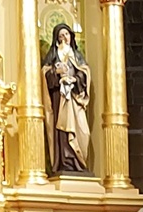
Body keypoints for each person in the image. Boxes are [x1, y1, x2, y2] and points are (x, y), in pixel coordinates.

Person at [42, 24, 92, 174]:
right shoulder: (53, 55)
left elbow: (84, 73)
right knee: (62, 128)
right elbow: (45, 75)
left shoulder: (76, 55)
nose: (64, 38)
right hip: (60, 97)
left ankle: (79, 160)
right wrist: (56, 72)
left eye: (67, 34)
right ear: (57, 39)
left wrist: (75, 79)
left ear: (71, 36)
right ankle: (65, 161)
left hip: (75, 97)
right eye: (61, 36)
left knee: (83, 130)